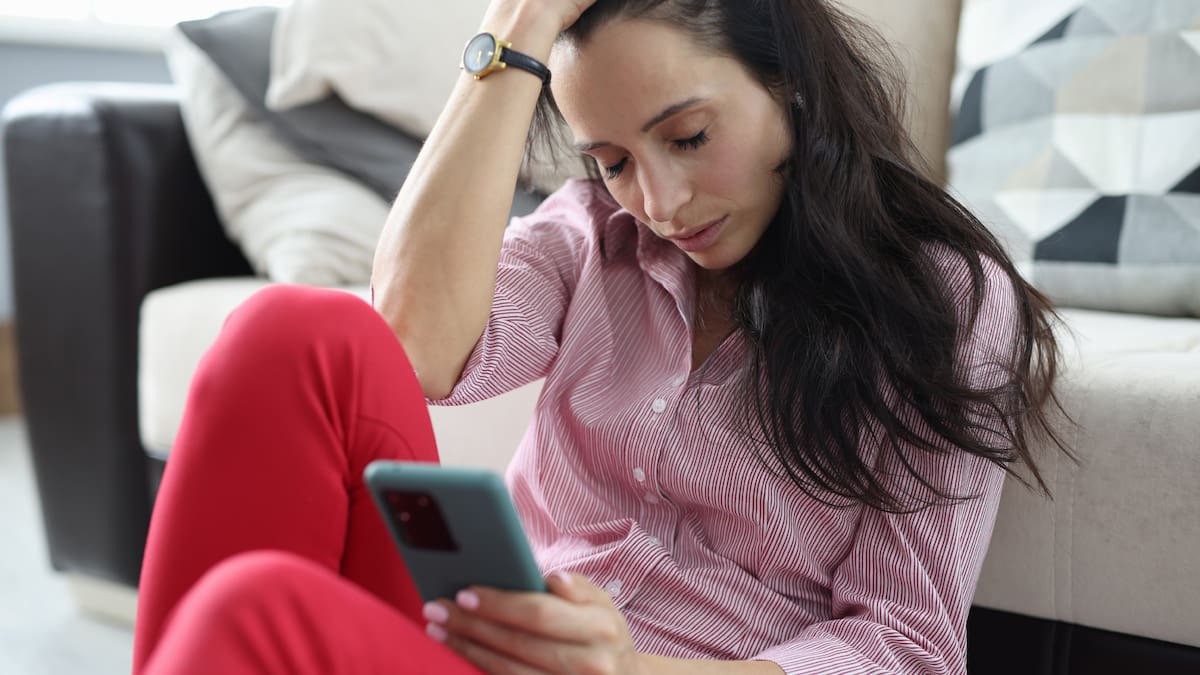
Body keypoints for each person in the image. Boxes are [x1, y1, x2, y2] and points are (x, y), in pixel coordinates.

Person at [132, 0, 1072, 673]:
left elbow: (906, 646)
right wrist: (519, 29)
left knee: (253, 612)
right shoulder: (594, 234)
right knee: (291, 331)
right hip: (486, 640)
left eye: (691, 137)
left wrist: (630, 669)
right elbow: (410, 343)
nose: (658, 204)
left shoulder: (944, 295)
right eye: (614, 160)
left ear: (790, 85)